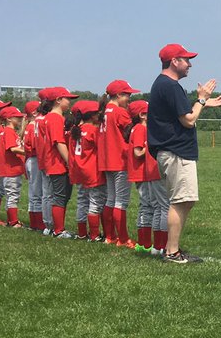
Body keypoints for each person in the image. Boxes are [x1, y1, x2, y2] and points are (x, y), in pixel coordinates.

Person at [147, 43, 221, 264]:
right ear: (174, 61)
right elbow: (189, 120)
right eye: (186, 59)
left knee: (185, 200)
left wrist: (202, 104)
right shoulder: (170, 86)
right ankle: (171, 252)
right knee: (180, 200)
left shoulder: (164, 85)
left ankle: (173, 248)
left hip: (173, 151)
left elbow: (184, 114)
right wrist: (201, 98)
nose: (189, 64)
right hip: (176, 152)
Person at [98, 79, 141, 248]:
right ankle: (123, 239)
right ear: (118, 95)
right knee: (120, 202)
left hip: (106, 161)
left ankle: (110, 236)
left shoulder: (103, 111)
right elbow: (131, 131)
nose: (129, 98)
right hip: (120, 160)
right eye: (127, 95)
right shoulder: (119, 112)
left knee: (110, 199)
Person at [37, 86, 79, 238]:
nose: (70, 102)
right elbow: (58, 142)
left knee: (62, 196)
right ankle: (58, 230)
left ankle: (58, 228)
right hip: (57, 163)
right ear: (58, 100)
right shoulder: (54, 118)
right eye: (68, 99)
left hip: (55, 162)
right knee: (60, 197)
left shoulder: (51, 117)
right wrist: (70, 162)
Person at [128, 100, 167, 256]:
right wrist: (153, 145)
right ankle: (147, 244)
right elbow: (138, 152)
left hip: (144, 173)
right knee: (150, 206)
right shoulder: (140, 128)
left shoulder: (141, 128)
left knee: (151, 206)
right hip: (141, 173)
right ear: (142, 115)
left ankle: (148, 244)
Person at [67, 99, 105, 241]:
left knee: (82, 201)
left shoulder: (75, 130)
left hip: (78, 170)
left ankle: (82, 233)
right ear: (91, 115)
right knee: (95, 201)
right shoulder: (92, 130)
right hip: (91, 170)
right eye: (96, 113)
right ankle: (94, 235)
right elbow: (101, 148)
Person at [0, 106, 26, 228]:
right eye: (18, 117)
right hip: (10, 169)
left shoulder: (3, 132)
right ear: (9, 119)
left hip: (5, 169)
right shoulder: (9, 132)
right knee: (13, 195)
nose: (20, 119)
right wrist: (29, 152)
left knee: (9, 194)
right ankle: (13, 222)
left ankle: (11, 220)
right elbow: (13, 148)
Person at [22, 100, 47, 232]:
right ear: (34, 112)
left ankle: (34, 222)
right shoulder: (33, 126)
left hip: (30, 160)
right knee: (37, 193)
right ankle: (39, 223)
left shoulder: (29, 126)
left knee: (33, 193)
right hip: (35, 160)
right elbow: (36, 146)